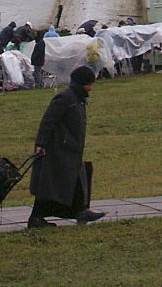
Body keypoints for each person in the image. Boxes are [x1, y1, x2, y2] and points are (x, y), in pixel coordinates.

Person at [27, 65, 105, 228]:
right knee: (51, 185)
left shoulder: (77, 98)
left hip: (71, 150)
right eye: (88, 84)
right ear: (80, 83)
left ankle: (81, 211)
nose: (90, 88)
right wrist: (40, 143)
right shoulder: (65, 98)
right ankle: (36, 218)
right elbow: (47, 121)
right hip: (58, 150)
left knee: (75, 181)